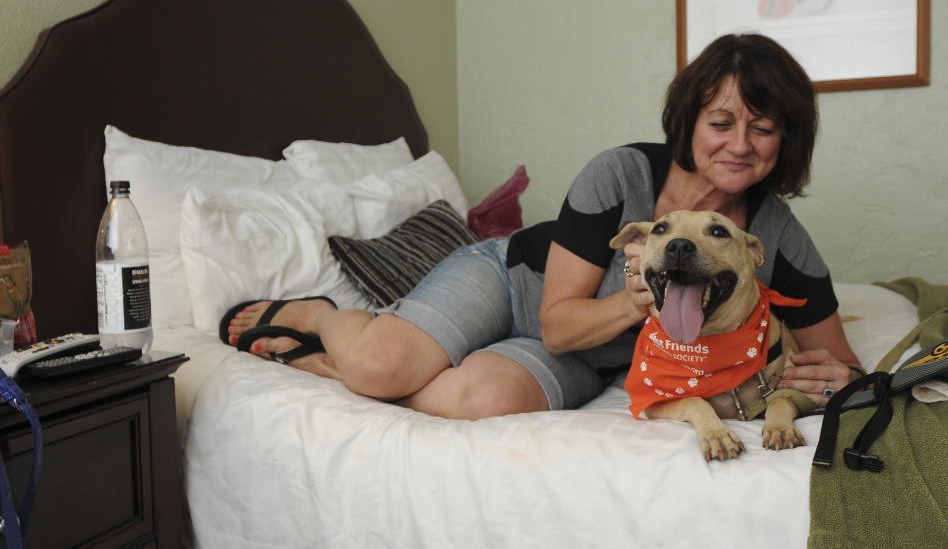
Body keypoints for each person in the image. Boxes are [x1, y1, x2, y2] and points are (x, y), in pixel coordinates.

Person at [222, 32, 862, 419]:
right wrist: (643, 297)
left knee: (481, 402)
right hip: (516, 284)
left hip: (597, 359)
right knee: (381, 368)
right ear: (690, 122)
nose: (740, 144)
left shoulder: (775, 235)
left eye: (764, 127)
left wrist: (837, 378)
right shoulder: (619, 175)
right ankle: (317, 317)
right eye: (722, 123)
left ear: (787, 140)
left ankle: (339, 367)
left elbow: (843, 365)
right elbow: (558, 322)